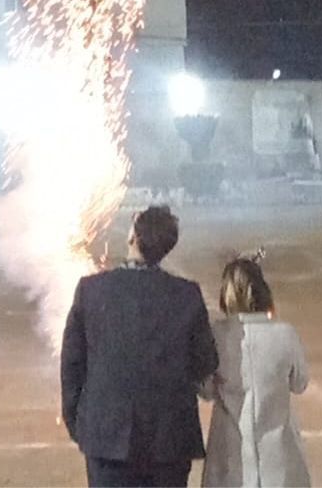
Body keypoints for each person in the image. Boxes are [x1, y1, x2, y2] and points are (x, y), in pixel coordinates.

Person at [61, 204, 218, 488]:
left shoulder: (91, 290)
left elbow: (72, 365)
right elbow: (205, 363)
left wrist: (79, 423)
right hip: (169, 440)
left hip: (107, 437)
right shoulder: (187, 295)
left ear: (133, 237)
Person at [200, 256, 310, 487]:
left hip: (230, 457)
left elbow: (206, 390)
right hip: (279, 458)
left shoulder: (215, 335)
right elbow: (300, 383)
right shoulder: (285, 333)